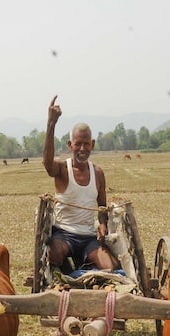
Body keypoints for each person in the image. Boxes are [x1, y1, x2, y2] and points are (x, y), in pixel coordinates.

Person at [42, 95, 118, 273]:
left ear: (92, 145)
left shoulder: (98, 174)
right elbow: (47, 163)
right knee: (54, 254)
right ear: (70, 145)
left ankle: (79, 273)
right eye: (78, 144)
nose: (82, 149)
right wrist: (51, 123)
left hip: (88, 237)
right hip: (64, 235)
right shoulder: (62, 169)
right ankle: (69, 272)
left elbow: (101, 207)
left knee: (110, 267)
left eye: (86, 144)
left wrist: (103, 225)